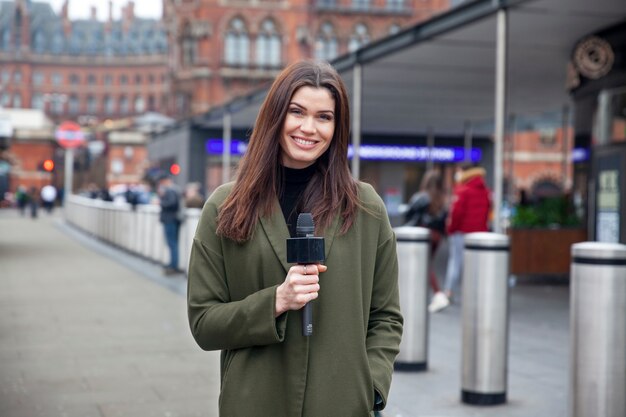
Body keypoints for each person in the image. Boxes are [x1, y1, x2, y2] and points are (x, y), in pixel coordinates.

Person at [187, 60, 403, 416]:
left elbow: (386, 317)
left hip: (342, 404)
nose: (308, 128)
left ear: (338, 126)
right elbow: (203, 323)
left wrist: (372, 388)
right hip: (254, 402)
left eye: (324, 117)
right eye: (297, 112)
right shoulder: (225, 206)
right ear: (275, 116)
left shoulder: (366, 207)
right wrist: (276, 301)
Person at [438, 163, 491, 311]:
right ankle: (475, 293)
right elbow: (487, 212)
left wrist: (450, 229)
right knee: (475, 264)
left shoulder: (462, 190)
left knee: (455, 262)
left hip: (461, 232)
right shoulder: (485, 190)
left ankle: (449, 291)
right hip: (479, 234)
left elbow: (456, 214)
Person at [404, 170, 449, 313]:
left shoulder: (422, 197)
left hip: (423, 235)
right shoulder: (442, 199)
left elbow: (409, 214)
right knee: (427, 265)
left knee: (425, 265)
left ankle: (438, 294)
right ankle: (426, 296)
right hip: (437, 237)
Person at [157, 174, 182, 275]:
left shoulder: (170, 190)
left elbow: (172, 204)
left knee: (172, 243)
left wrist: (161, 201)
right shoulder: (175, 189)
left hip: (170, 219)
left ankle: (173, 266)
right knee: (173, 243)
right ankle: (173, 264)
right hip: (174, 219)